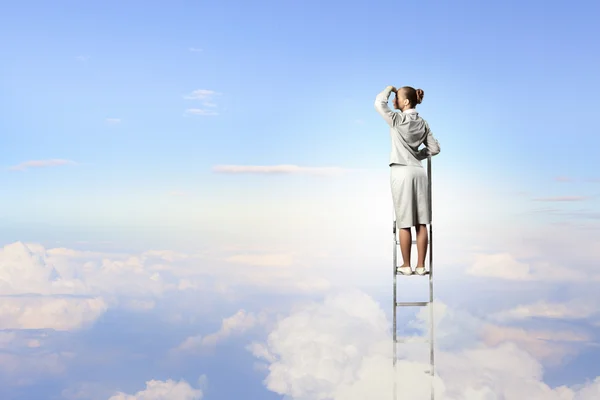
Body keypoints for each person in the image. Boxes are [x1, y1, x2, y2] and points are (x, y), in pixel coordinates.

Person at [374, 85, 440, 275]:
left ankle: (406, 265)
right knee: (421, 222)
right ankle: (421, 266)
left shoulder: (396, 119)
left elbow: (379, 102)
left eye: (397, 98)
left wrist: (389, 88)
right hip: (419, 173)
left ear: (405, 102)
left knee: (404, 221)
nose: (393, 100)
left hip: (401, 172)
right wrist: (418, 155)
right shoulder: (423, 123)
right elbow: (434, 149)